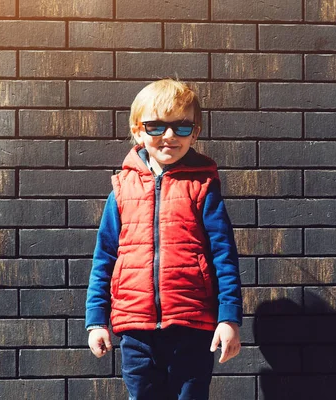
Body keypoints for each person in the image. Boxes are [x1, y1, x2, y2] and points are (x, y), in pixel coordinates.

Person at [85, 78, 242, 400]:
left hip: (192, 323)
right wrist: (96, 321)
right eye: (156, 126)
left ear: (195, 133)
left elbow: (224, 256)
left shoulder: (203, 186)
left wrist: (229, 318)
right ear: (138, 131)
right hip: (135, 325)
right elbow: (105, 258)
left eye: (182, 128)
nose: (169, 136)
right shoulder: (121, 189)